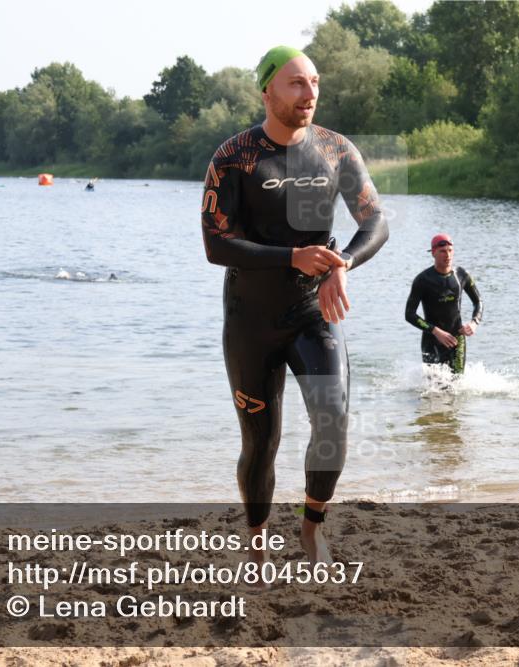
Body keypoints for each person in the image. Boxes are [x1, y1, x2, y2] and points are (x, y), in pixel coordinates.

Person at [200, 45, 387, 565]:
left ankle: (312, 525)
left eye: (314, 83)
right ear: (267, 90)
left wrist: (341, 262)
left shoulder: (334, 150)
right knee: (261, 442)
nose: (310, 94)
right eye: (296, 84)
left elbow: (376, 222)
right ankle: (257, 540)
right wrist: (293, 256)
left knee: (333, 419)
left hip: (312, 315)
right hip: (250, 323)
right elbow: (217, 245)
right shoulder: (234, 158)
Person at [405, 234, 483, 375]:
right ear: (433, 253)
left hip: (456, 339)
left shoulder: (461, 275)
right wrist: (436, 331)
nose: (447, 255)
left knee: (457, 387)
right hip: (432, 340)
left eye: (450, 250)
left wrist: (474, 323)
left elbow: (478, 302)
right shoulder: (422, 280)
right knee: (434, 389)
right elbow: (409, 314)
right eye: (442, 251)